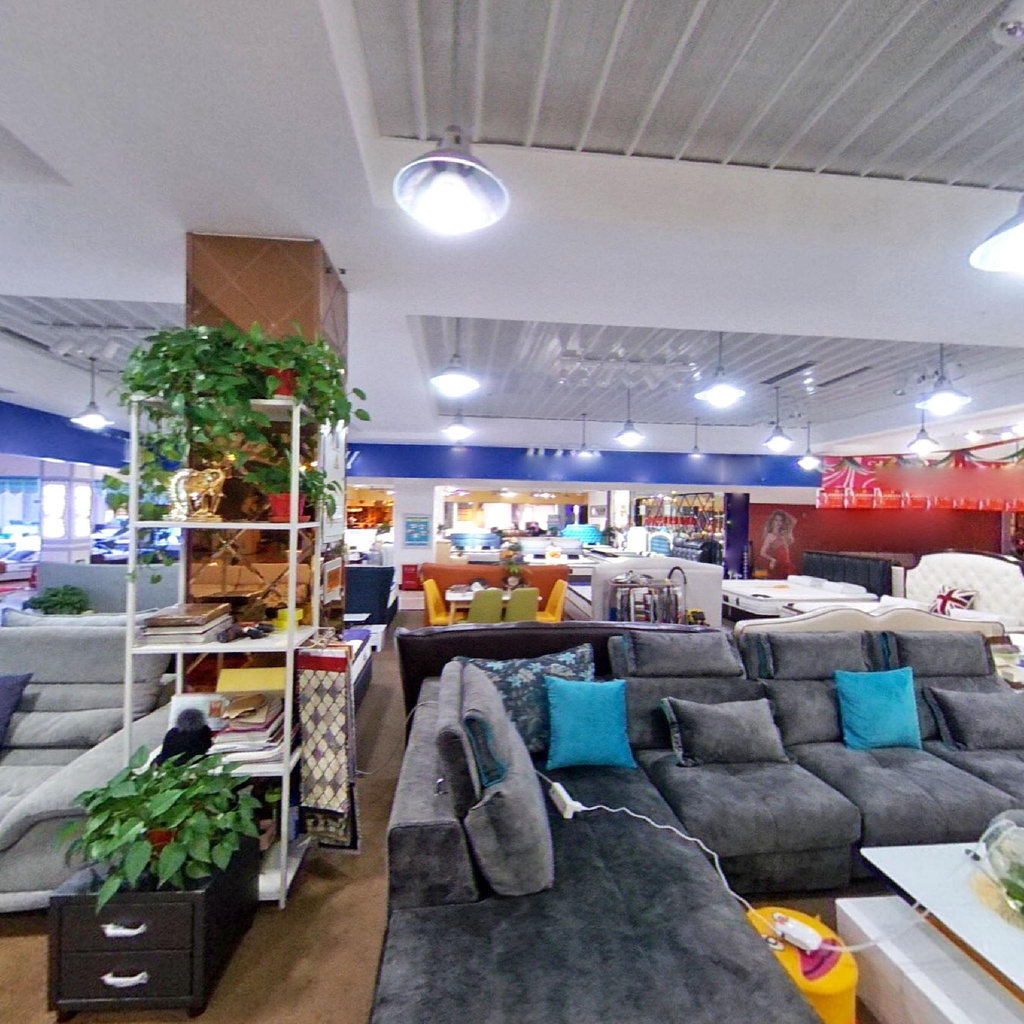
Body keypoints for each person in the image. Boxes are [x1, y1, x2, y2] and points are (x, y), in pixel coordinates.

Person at [759, 509, 796, 578]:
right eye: (776, 520)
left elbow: (793, 521)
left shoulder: (783, 534)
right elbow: (762, 552)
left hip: (786, 563)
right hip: (778, 564)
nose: (778, 522)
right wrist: (772, 559)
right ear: (772, 521)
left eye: (780, 520)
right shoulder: (770, 536)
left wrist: (784, 515)